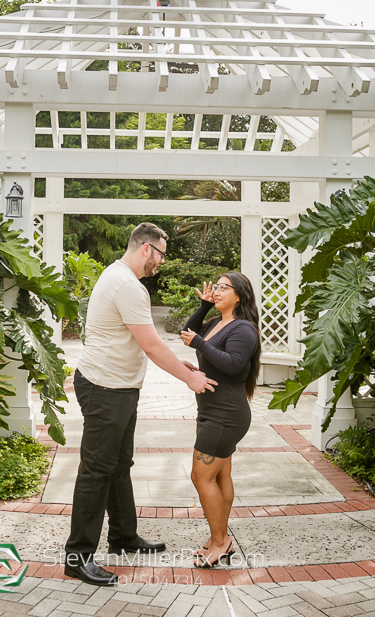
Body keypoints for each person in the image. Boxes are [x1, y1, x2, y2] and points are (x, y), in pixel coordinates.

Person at [65, 222, 217, 586]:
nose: (161, 262)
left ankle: (122, 536)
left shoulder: (119, 278)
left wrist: (180, 364)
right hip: (105, 389)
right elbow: (150, 344)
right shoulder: (127, 285)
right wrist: (189, 378)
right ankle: (77, 557)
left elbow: (142, 342)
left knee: (118, 465)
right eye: (161, 254)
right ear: (146, 248)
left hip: (117, 388)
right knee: (96, 471)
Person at [181, 272, 261, 568]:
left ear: (239, 295)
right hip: (213, 411)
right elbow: (187, 333)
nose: (216, 291)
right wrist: (202, 307)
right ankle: (221, 537)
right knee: (219, 476)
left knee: (201, 476)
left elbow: (233, 364)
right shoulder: (217, 323)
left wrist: (201, 344)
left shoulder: (243, 329)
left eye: (223, 287)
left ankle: (219, 543)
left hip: (226, 414)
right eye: (215, 286)